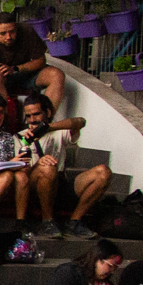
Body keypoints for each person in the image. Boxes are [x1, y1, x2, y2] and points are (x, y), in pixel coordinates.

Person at [17, 93, 109, 239]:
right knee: (47, 168)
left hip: (60, 183)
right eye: (28, 116)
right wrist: (38, 165)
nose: (32, 120)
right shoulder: (19, 137)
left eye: (36, 114)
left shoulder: (58, 131)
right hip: (35, 185)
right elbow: (20, 176)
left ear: (47, 113)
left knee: (103, 172)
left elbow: (81, 122)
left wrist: (48, 127)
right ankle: (47, 222)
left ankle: (74, 222)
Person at [0, 8, 67, 112]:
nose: (8, 37)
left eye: (12, 31)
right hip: (1, 81)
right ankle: (3, 119)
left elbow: (41, 61)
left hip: (26, 74)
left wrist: (16, 69)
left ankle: (44, 122)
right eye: (3, 33)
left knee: (57, 75)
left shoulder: (27, 30)